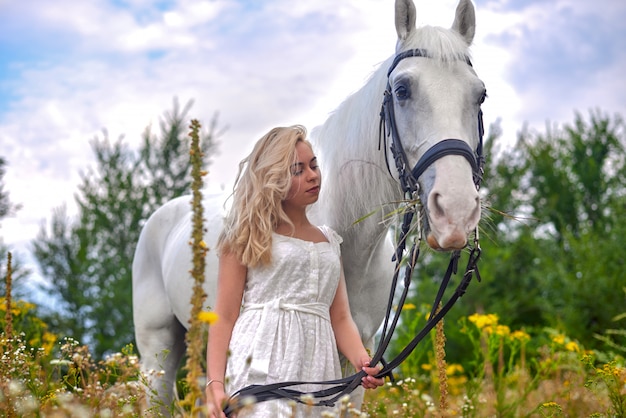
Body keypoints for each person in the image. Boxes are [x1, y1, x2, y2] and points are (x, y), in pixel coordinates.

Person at [205, 125, 384, 417]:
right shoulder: (246, 236)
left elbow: (339, 317)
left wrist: (361, 360)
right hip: (261, 357)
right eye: (297, 170)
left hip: (317, 365)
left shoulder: (329, 240)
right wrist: (214, 384)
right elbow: (224, 316)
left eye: (313, 165)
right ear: (273, 179)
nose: (313, 175)